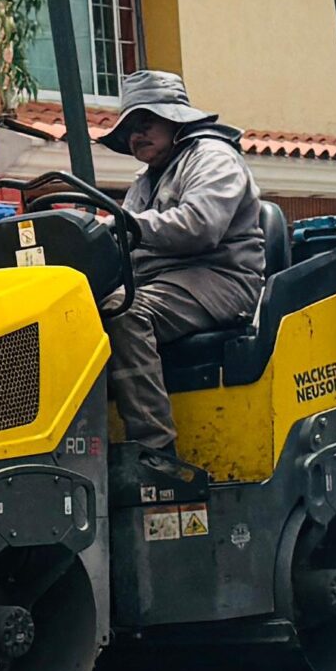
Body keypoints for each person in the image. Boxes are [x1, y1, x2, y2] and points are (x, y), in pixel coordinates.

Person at [50, 71, 264, 493]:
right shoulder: (145, 181)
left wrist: (124, 227)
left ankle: (156, 454)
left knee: (123, 312)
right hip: (165, 282)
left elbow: (200, 225)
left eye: (145, 121)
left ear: (177, 120)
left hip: (220, 278)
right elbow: (123, 245)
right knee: (72, 317)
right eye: (129, 127)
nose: (136, 133)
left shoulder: (213, 157)